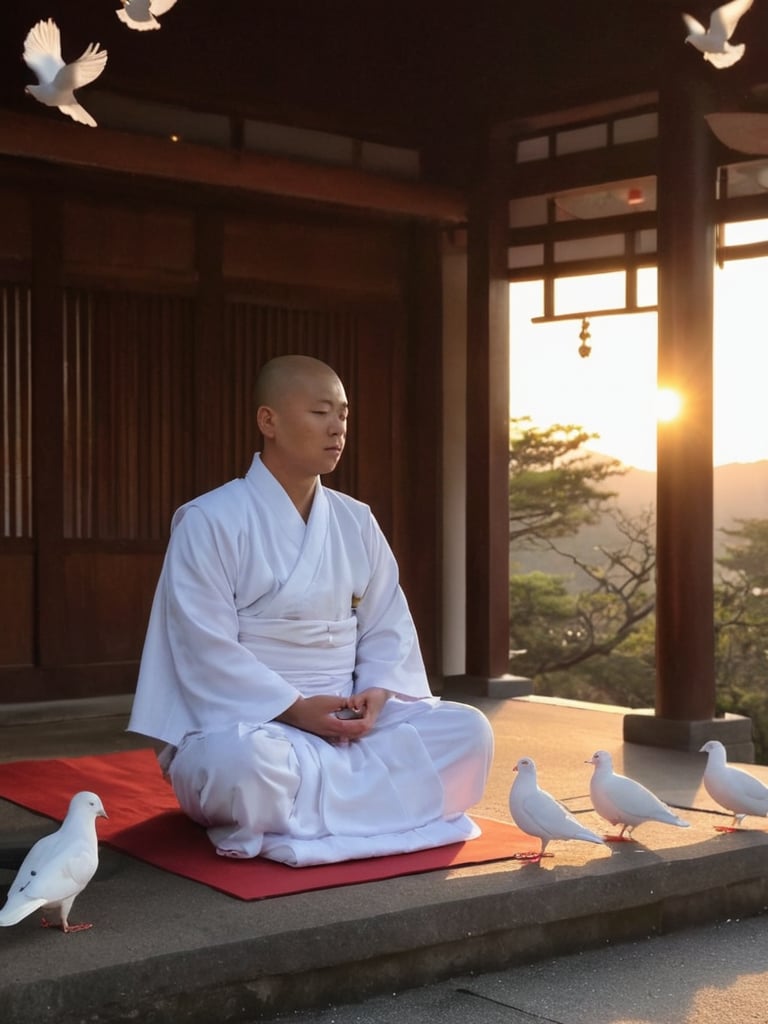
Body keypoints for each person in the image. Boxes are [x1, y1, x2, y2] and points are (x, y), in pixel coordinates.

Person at [128, 354, 494, 866]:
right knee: (244, 766)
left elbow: (387, 626)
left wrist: (376, 693)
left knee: (469, 732)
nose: (337, 428)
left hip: (347, 717)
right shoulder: (208, 521)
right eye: (321, 412)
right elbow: (201, 648)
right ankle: (376, 811)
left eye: (343, 414)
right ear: (268, 421)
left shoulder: (356, 520)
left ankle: (312, 818)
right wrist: (296, 709)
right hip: (253, 723)